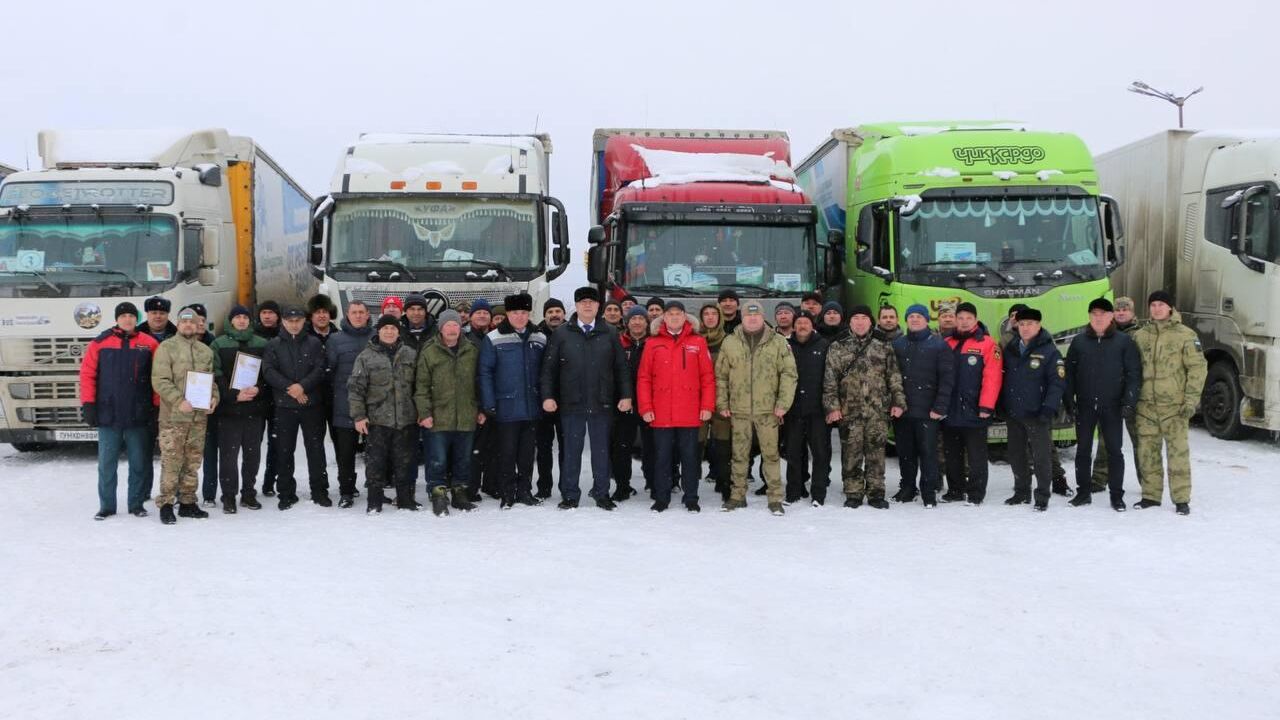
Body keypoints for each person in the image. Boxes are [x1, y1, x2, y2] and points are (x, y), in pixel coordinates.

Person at [541, 287, 633, 510]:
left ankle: (602, 493)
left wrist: (626, 395)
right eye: (583, 302)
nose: (588, 305)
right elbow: (549, 370)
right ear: (576, 306)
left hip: (602, 401)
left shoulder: (609, 333)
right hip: (571, 402)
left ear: (598, 306)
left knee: (601, 451)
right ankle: (570, 494)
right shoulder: (562, 333)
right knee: (571, 450)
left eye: (592, 302)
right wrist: (547, 396)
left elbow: (621, 368)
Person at [716, 302, 797, 514]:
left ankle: (775, 498)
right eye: (748, 316)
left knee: (771, 455)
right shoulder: (730, 342)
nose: (752, 319)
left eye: (757, 316)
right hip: (739, 410)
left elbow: (789, 375)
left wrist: (783, 404)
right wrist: (722, 403)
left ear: (763, 318)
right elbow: (721, 377)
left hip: (768, 410)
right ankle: (737, 495)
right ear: (742, 318)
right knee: (739, 455)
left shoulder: (778, 342)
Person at [81, 302, 160, 520]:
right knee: (107, 465)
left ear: (137, 319)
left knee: (138, 463)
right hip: (109, 415)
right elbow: (87, 375)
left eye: (131, 316)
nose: (127, 319)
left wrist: (156, 407)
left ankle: (136, 504)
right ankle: (106, 506)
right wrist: (88, 404)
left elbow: (158, 378)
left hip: (138, 414)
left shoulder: (149, 344)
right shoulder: (100, 343)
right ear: (117, 319)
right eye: (123, 315)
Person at [1132, 291, 1207, 515]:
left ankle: (1181, 499)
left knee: (1178, 455)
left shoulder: (1185, 335)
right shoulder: (1140, 336)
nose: (1156, 309)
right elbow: (1132, 370)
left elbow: (1197, 369)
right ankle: (1151, 495)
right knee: (1147, 453)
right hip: (1146, 407)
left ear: (1170, 308)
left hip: (1174, 408)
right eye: (1153, 305)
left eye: (1161, 304)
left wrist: (1191, 400)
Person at [1063, 297, 1141, 512]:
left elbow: (1133, 374)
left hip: (1112, 407)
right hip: (1086, 406)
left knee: (1115, 451)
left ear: (1110, 317)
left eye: (1103, 314)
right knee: (1083, 451)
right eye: (1094, 314)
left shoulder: (1123, 342)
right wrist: (1069, 401)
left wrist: (1129, 401)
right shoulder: (1079, 342)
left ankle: (1117, 495)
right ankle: (1083, 492)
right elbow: (1068, 374)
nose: (1098, 318)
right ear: (1089, 316)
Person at [824, 304, 905, 509]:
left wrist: (898, 402)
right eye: (856, 318)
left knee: (876, 454)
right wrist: (832, 407)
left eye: (864, 318)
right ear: (850, 322)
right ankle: (853, 492)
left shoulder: (883, 344)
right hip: (849, 411)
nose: (860, 322)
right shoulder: (838, 345)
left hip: (877, 411)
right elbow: (830, 380)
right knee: (851, 454)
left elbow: (894, 377)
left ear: (871, 322)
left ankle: (876, 493)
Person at [637, 300, 715, 512]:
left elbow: (707, 377)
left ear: (684, 317)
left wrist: (707, 405)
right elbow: (644, 378)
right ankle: (661, 497)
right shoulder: (653, 343)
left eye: (678, 314)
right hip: (661, 413)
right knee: (662, 457)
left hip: (690, 412)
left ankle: (691, 497)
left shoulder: (697, 342)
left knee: (690, 458)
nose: (674, 317)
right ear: (664, 318)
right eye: (669, 314)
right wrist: (645, 407)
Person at [478, 293, 547, 509]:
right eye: (515, 312)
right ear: (507, 314)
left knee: (527, 454)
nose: (520, 316)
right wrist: (489, 403)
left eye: (524, 312)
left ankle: (524, 491)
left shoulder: (540, 337)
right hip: (506, 406)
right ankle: (507, 492)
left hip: (532, 407)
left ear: (529, 314)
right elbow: (485, 372)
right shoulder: (494, 338)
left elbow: (546, 372)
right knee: (506, 453)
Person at [151, 307, 219, 525]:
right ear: (178, 325)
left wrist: (213, 398)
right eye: (184, 322)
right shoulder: (166, 348)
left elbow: (211, 380)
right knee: (172, 461)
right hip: (173, 417)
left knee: (192, 461)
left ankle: (188, 502)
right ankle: (167, 503)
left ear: (198, 324)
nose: (188, 326)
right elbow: (160, 380)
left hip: (198, 418)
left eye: (193, 322)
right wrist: (179, 401)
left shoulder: (204, 351)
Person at [349, 315, 420, 513]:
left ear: (399, 331)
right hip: (377, 420)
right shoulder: (365, 357)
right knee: (376, 463)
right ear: (378, 331)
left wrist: (422, 412)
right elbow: (355, 389)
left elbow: (420, 387)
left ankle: (405, 500)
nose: (389, 331)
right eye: (385, 328)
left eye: (393, 328)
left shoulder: (410, 354)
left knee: (404, 462)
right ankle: (374, 502)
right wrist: (359, 416)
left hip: (406, 419)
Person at [263, 306, 330, 510]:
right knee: (284, 451)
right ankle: (286, 493)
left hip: (311, 405)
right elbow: (268, 370)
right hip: (285, 406)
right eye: (290, 320)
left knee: (316, 450)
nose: (294, 324)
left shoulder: (314, 343)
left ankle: (319, 491)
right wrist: (290, 388)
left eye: (298, 320)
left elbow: (320, 369)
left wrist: (302, 387)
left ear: (303, 322)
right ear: (283, 322)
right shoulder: (274, 344)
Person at [416, 310, 482, 515]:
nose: (452, 329)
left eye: (455, 325)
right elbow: (421, 386)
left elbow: (480, 381)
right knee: (437, 459)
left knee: (463, 459)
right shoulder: (429, 351)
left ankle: (460, 493)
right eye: (448, 325)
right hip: (438, 417)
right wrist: (424, 412)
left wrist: (481, 408)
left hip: (466, 415)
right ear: (441, 328)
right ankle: (438, 494)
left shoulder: (472, 350)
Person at [1000, 307, 1066, 510]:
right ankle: (1021, 492)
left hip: (1038, 414)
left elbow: (1057, 383)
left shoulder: (1049, 351)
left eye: (1030, 324)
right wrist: (1001, 405)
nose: (1026, 328)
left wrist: (1049, 408)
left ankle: (1042, 496)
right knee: (1016, 454)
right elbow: (1003, 379)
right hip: (1014, 413)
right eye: (1022, 324)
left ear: (1038, 325)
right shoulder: (1011, 349)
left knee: (1041, 457)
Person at [891, 305, 954, 507]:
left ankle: (929, 492)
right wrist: (894, 403)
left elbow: (947, 379)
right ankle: (907, 488)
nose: (915, 319)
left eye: (919, 316)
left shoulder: (938, 345)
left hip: (929, 412)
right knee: (905, 453)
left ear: (927, 320)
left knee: (928, 453)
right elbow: (890, 377)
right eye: (911, 316)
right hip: (903, 410)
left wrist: (940, 406)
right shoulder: (898, 344)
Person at [209, 305, 271, 513]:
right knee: (228, 456)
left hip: (254, 409)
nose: (242, 321)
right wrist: (233, 395)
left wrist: (258, 389)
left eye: (245, 317)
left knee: (252, 455)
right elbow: (216, 374)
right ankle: (228, 496)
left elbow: (268, 373)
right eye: (238, 317)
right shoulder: (219, 344)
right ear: (230, 321)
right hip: (229, 411)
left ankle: (248, 493)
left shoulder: (262, 344)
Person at [940, 302, 1002, 505]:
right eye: (961, 318)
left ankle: (976, 493)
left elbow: (992, 378)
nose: (964, 322)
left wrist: (986, 406)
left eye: (969, 318)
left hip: (975, 409)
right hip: (950, 410)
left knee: (976, 455)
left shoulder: (987, 344)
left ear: (975, 320)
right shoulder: (947, 342)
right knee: (952, 455)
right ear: (955, 320)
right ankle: (955, 490)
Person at [1090, 296, 1144, 493]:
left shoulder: (1142, 335)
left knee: (1140, 441)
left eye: (1126, 310)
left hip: (1134, 395)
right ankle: (1098, 479)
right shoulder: (1103, 333)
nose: (1122, 313)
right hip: (1109, 395)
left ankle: (1147, 482)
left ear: (1133, 313)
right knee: (1106, 440)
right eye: (1118, 310)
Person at [327, 301, 376, 508]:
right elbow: (328, 371)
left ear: (367, 315)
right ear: (347, 315)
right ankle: (346, 491)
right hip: (344, 405)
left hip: (374, 406)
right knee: (345, 454)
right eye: (354, 312)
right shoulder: (335, 340)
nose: (357, 316)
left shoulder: (376, 337)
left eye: (361, 312)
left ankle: (375, 489)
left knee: (374, 453)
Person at [784, 311, 832, 505]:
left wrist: (830, 407)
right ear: (794, 326)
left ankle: (818, 494)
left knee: (820, 453)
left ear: (812, 326)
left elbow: (831, 379)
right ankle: (794, 491)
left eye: (806, 322)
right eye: (799, 323)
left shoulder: (824, 345)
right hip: (793, 410)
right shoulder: (785, 346)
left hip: (818, 410)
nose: (802, 326)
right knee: (793, 453)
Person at [611, 306, 649, 502]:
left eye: (640, 319)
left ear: (646, 322)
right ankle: (622, 486)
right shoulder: (618, 342)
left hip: (649, 404)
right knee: (621, 447)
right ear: (626, 322)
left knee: (652, 446)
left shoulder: (653, 343)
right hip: (623, 403)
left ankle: (654, 482)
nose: (636, 322)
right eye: (633, 319)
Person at [699, 303, 732, 501]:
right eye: (706, 314)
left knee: (723, 446)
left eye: (714, 314)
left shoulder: (730, 342)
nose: (710, 317)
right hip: (698, 401)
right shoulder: (694, 340)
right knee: (695, 445)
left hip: (723, 401)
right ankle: (691, 487)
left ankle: (724, 484)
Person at [534, 298, 566, 499]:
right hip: (542, 399)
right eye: (550, 311)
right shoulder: (536, 335)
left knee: (567, 448)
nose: (554, 315)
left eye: (558, 311)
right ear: (545, 315)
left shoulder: (572, 333)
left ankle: (566, 486)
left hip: (567, 400)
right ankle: (544, 487)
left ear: (563, 314)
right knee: (544, 447)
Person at [464, 299, 496, 501]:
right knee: (473, 450)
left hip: (494, 400)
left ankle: (491, 485)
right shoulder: (464, 339)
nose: (482, 316)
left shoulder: (494, 337)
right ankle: (470, 488)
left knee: (493, 448)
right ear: (470, 316)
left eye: (486, 312)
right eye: (478, 313)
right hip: (473, 402)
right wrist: (479, 406)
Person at [254, 299, 281, 496]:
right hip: (255, 397)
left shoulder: (284, 336)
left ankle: (270, 481)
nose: (267, 316)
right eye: (264, 312)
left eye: (271, 312)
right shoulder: (252, 336)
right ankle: (249, 484)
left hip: (277, 398)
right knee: (253, 443)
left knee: (276, 443)